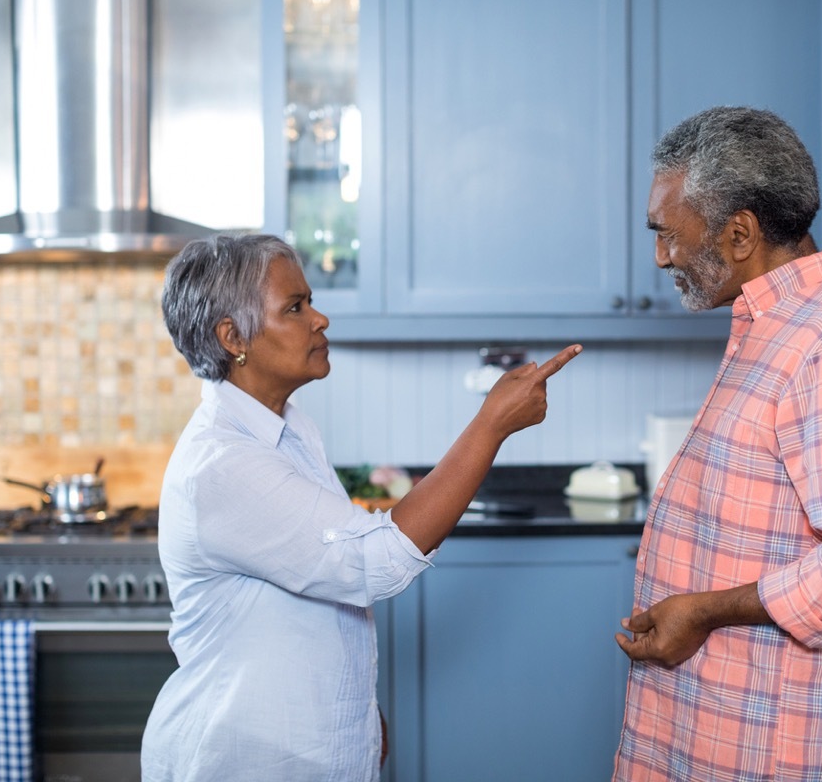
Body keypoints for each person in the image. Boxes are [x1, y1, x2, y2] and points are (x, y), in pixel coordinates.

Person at [140, 233, 581, 781]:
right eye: (295, 308)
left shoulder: (291, 429)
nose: (320, 319)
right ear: (233, 338)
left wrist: (355, 716)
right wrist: (491, 425)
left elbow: (317, 582)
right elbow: (373, 561)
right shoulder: (223, 464)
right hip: (242, 758)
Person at [613, 107, 822, 781]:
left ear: (740, 232)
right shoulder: (776, 327)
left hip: (774, 750)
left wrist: (702, 610)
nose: (661, 256)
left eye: (668, 234)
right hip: (723, 729)